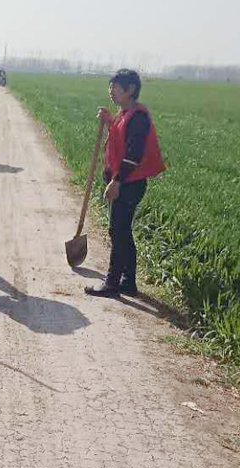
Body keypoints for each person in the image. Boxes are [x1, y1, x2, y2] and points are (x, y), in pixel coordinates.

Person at [85, 69, 165, 297]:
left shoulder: (138, 117)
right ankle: (128, 281)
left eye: (116, 87)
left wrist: (117, 181)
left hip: (130, 183)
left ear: (130, 90)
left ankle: (111, 284)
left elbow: (133, 154)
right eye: (110, 87)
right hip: (123, 181)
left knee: (118, 231)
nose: (111, 91)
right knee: (120, 230)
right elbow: (120, 134)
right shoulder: (124, 113)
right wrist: (109, 120)